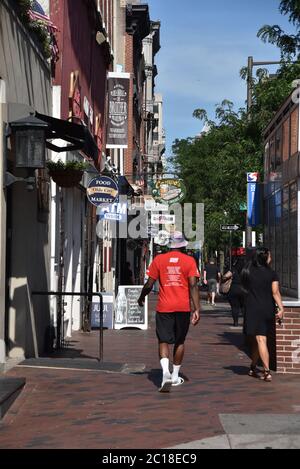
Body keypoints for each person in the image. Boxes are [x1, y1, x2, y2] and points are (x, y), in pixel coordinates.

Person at [138, 231, 201, 392]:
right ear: (183, 245)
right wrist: (196, 308)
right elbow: (193, 285)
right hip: (182, 307)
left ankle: (165, 372)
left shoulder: (159, 260)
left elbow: (149, 284)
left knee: (163, 341)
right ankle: (175, 375)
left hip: (164, 307)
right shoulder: (189, 261)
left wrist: (141, 297)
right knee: (180, 341)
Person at [241, 247, 284, 382]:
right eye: (269, 256)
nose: (271, 258)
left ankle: (266, 371)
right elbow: (275, 292)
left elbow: (244, 288)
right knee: (259, 339)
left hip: (252, 309)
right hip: (267, 309)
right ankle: (256, 368)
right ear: (264, 257)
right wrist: (281, 308)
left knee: (259, 339)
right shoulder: (271, 273)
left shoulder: (247, 271)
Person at [224, 257, 245, 327]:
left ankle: (235, 322)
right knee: (244, 307)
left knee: (234, 307)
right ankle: (246, 322)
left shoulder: (233, 269)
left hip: (234, 289)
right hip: (244, 289)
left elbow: (225, 276)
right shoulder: (247, 270)